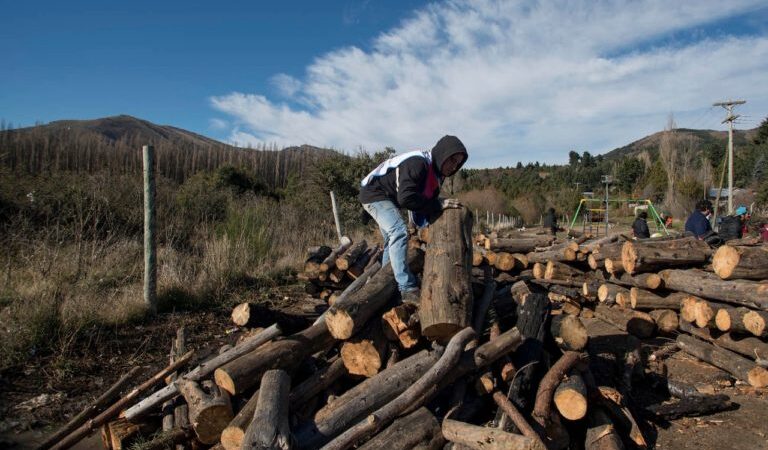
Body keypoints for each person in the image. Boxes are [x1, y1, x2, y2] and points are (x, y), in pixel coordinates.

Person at [359, 135, 468, 304]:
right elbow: (407, 198)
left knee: (390, 240)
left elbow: (425, 201)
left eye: (458, 163)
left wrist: (435, 206)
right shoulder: (419, 163)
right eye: (452, 159)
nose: (454, 165)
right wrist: (437, 205)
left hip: (385, 197)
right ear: (442, 154)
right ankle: (407, 288)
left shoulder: (436, 174)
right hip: (375, 195)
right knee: (399, 232)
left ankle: (385, 281)